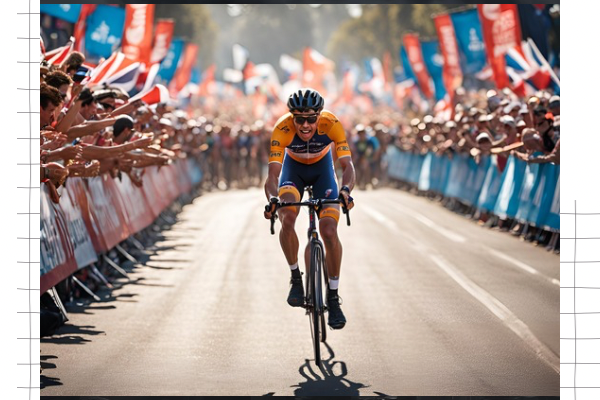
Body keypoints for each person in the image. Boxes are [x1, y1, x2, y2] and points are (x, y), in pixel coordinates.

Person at [263, 88, 356, 330]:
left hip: (323, 173)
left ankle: (333, 298)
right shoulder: (282, 129)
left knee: (328, 231)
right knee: (288, 216)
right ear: (291, 118)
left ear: (319, 116)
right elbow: (272, 176)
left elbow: (347, 166)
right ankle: (295, 277)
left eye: (311, 119)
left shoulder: (332, 123)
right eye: (299, 119)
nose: (305, 125)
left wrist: (345, 191)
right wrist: (273, 199)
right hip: (293, 172)